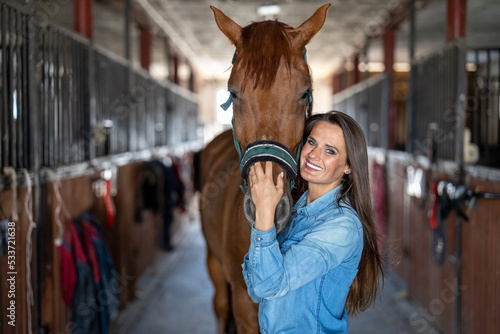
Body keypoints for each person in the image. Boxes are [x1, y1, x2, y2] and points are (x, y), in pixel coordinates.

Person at [242, 111, 384, 334]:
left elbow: (266, 285)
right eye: (312, 142)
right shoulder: (297, 211)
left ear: (348, 166)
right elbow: (256, 292)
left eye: (330, 151)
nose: (314, 155)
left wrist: (264, 214)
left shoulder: (342, 227)